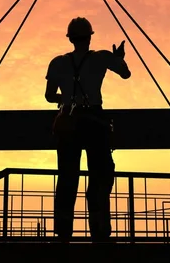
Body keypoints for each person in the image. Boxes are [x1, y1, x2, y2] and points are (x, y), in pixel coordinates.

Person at [45, 17, 131, 242]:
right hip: (94, 122)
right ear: (89, 37)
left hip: (68, 123)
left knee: (67, 178)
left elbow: (48, 96)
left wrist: (66, 99)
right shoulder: (101, 57)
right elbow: (125, 74)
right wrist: (119, 59)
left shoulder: (57, 63)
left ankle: (64, 233)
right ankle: (99, 230)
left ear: (70, 38)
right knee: (100, 177)